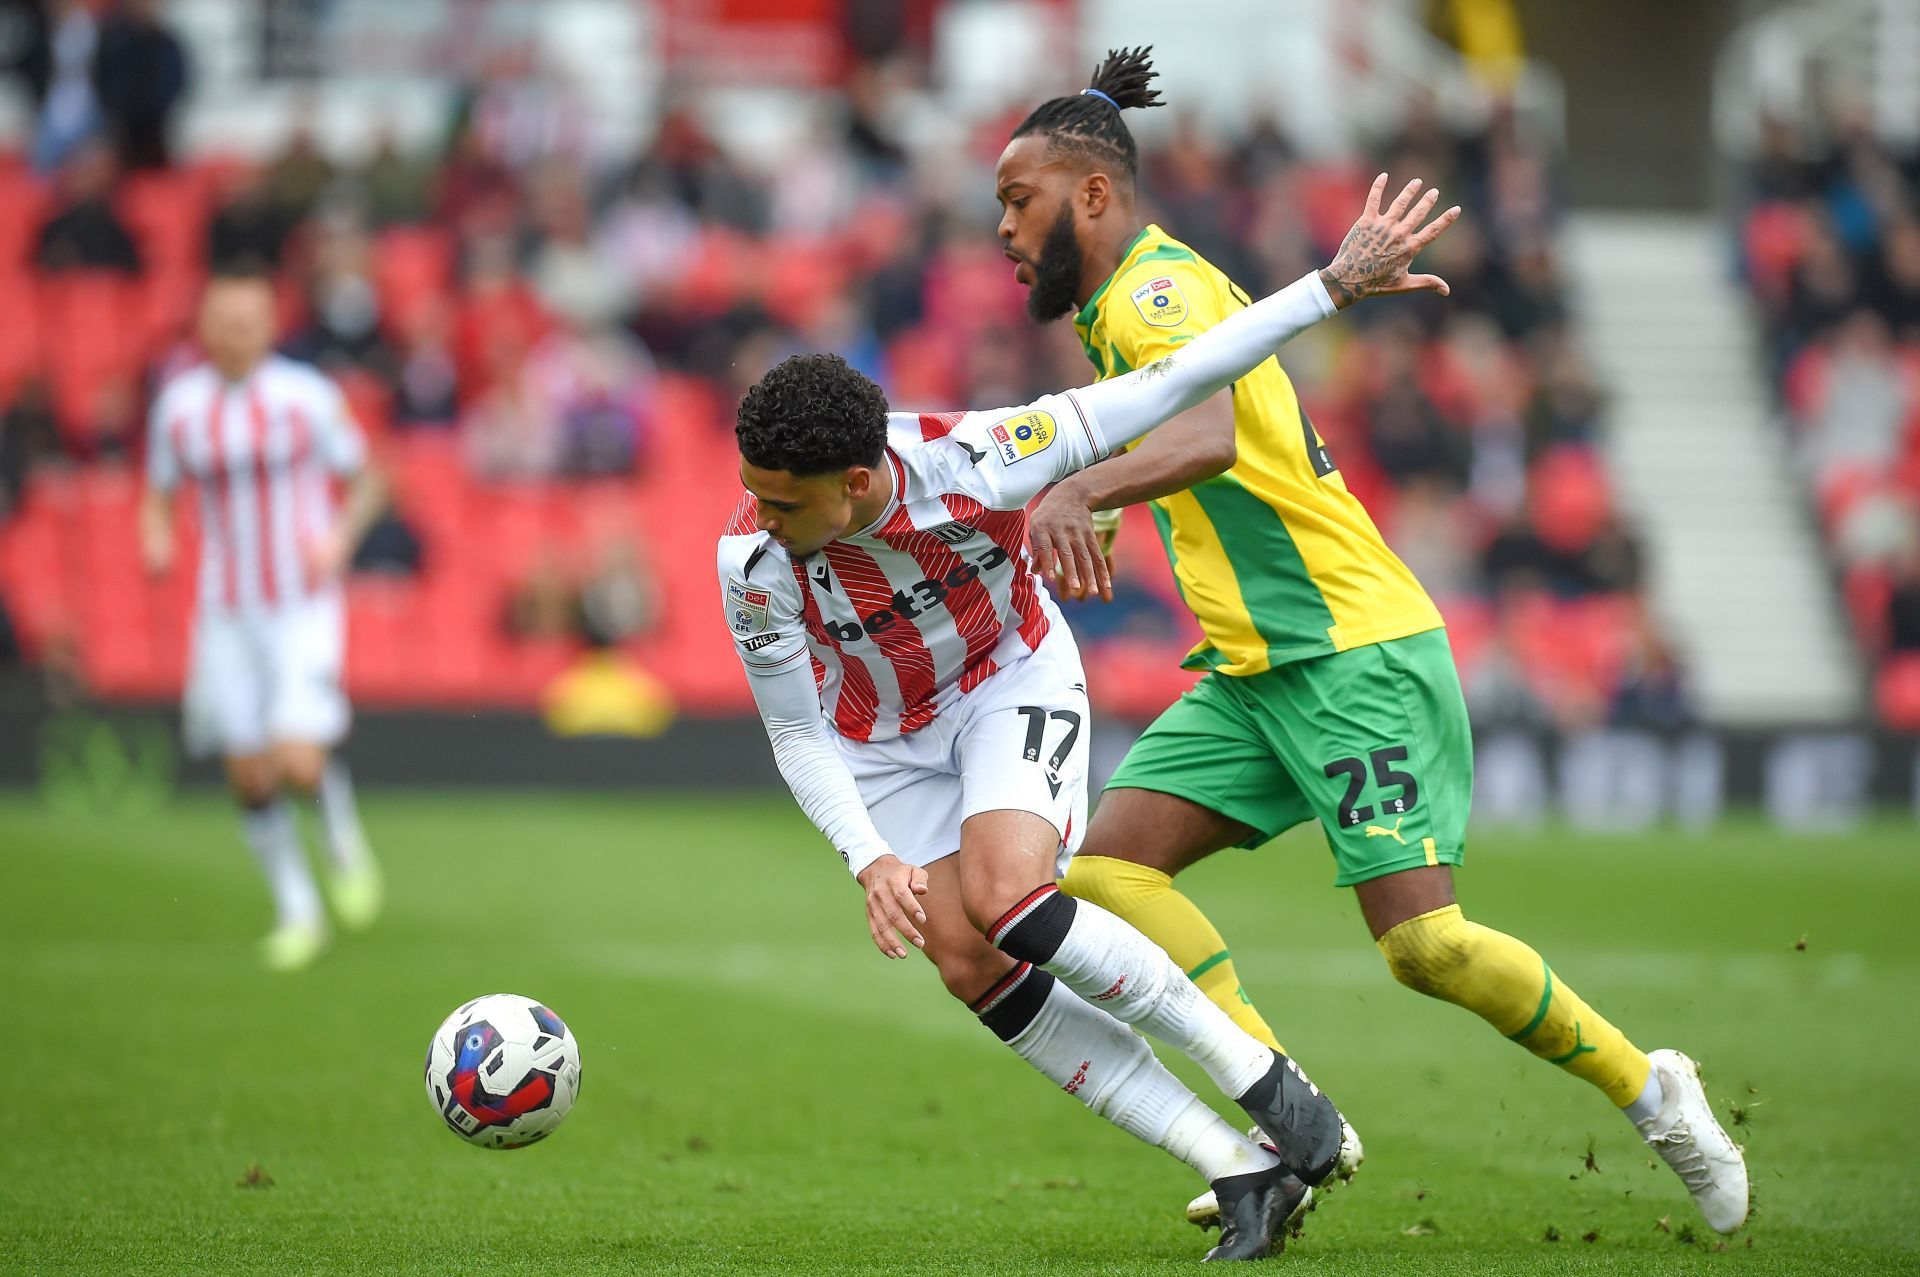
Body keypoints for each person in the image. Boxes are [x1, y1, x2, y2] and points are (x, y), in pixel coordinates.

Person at [1004, 48, 1749, 1236]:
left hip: (1349, 650)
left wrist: (1077, 491)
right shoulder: (1116, 308)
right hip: (1255, 668)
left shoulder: (1152, 296)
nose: (1002, 227)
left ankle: (1654, 1090)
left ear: (1090, 195)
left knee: (1427, 946)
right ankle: (1285, 1115)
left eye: (1018, 199)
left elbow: (1205, 439)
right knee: (1103, 875)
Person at [720, 169, 1455, 1259]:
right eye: (756, 496)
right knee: (970, 958)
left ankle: (1267, 1081)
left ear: (859, 477)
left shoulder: (978, 458)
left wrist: (1331, 288)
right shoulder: (751, 564)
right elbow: (795, 728)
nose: (763, 522)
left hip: (1007, 679)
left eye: (787, 502)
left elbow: (1178, 380)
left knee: (1012, 895)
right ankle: (1240, 1165)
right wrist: (869, 856)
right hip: (885, 745)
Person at [141, 263, 387, 971]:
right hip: (225, 610)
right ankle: (297, 911)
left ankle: (340, 836)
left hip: (300, 605)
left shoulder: (306, 398)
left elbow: (369, 475)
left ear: (269, 325)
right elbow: (158, 490)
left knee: (297, 760)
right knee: (248, 774)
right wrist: (154, 536)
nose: (234, 335)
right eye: (222, 322)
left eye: (247, 322)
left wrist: (339, 537)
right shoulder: (180, 406)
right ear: (204, 326)